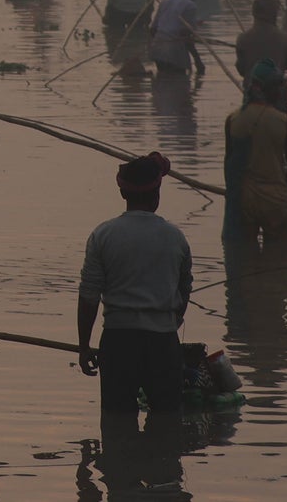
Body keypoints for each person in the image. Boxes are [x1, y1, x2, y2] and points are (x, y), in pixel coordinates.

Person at [76, 152, 193, 416]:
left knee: (117, 424)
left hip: (119, 343)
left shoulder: (102, 235)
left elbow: (89, 296)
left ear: (123, 194)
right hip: (163, 344)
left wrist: (84, 347)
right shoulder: (175, 238)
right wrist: (170, 323)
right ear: (157, 194)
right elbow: (184, 289)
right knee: (166, 425)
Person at [223, 62, 287, 244]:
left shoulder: (234, 120)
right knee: (279, 263)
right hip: (275, 201)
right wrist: (283, 194)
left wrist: (235, 195)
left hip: (244, 201)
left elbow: (228, 166)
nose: (279, 91)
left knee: (244, 262)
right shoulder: (284, 122)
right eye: (275, 87)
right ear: (262, 88)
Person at [149, 0, 203, 76]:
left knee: (161, 84)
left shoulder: (165, 1)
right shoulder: (190, 5)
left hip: (157, 51)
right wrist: (198, 61)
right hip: (173, 54)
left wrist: (160, 42)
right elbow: (186, 37)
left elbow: (153, 30)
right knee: (178, 85)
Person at [234, 0, 287, 76]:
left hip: (252, 87)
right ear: (274, 15)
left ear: (254, 13)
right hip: (276, 87)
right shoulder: (284, 38)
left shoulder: (242, 38)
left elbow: (241, 70)